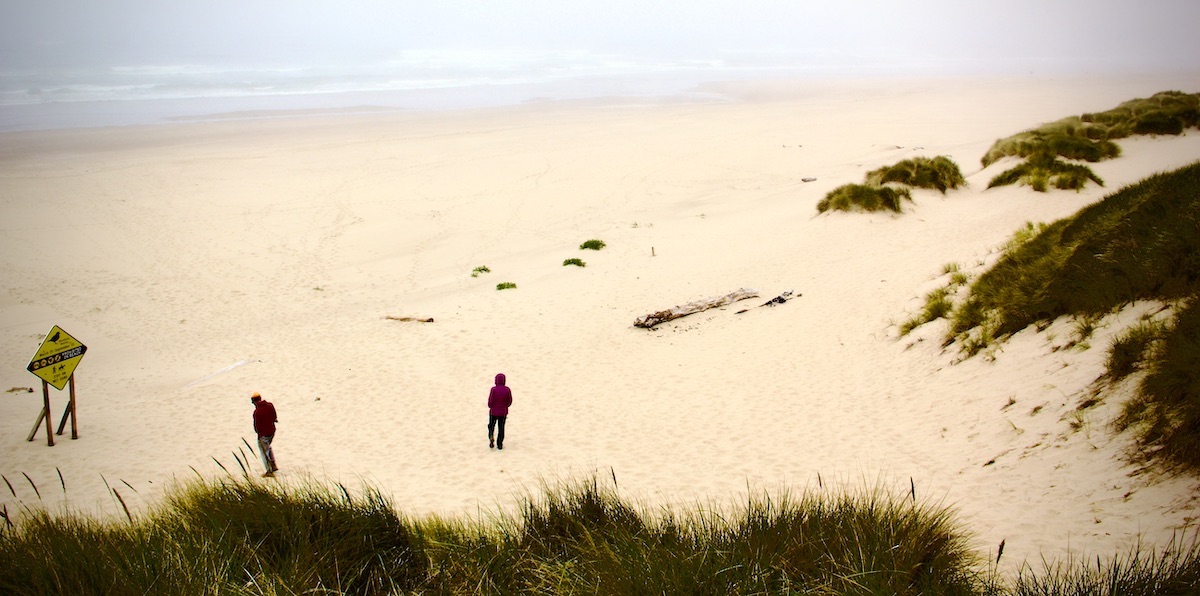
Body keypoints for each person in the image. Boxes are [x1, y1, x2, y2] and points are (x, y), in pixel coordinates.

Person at [250, 392, 279, 476]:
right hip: (272, 431)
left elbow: (257, 426)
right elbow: (274, 416)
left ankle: (269, 470)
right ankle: (273, 465)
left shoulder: (257, 412)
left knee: (264, 451)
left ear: (254, 401)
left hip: (263, 434)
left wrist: (259, 435)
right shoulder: (270, 405)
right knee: (268, 448)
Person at [487, 373, 513, 450]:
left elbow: (490, 401)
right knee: (501, 428)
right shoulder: (507, 389)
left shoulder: (493, 389)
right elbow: (509, 401)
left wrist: (490, 406)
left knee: (491, 425)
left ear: (496, 380)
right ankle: (500, 444)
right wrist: (505, 406)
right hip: (503, 412)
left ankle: (491, 436)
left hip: (493, 412)